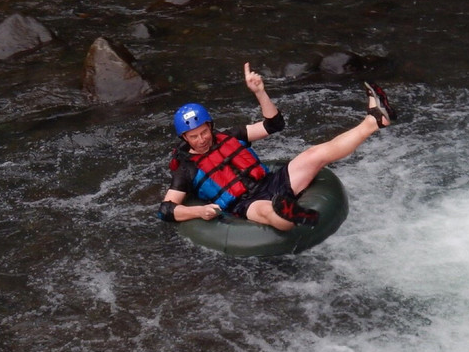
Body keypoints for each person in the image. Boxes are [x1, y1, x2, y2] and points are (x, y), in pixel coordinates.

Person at [158, 62, 395, 231]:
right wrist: (198, 212)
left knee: (315, 154)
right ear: (184, 138)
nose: (202, 139)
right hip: (245, 204)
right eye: (194, 137)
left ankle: (374, 121)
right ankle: (291, 214)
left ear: (210, 127)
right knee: (267, 211)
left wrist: (260, 92)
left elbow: (274, 124)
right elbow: (167, 210)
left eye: (204, 132)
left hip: (271, 181)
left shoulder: (232, 136)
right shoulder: (186, 169)